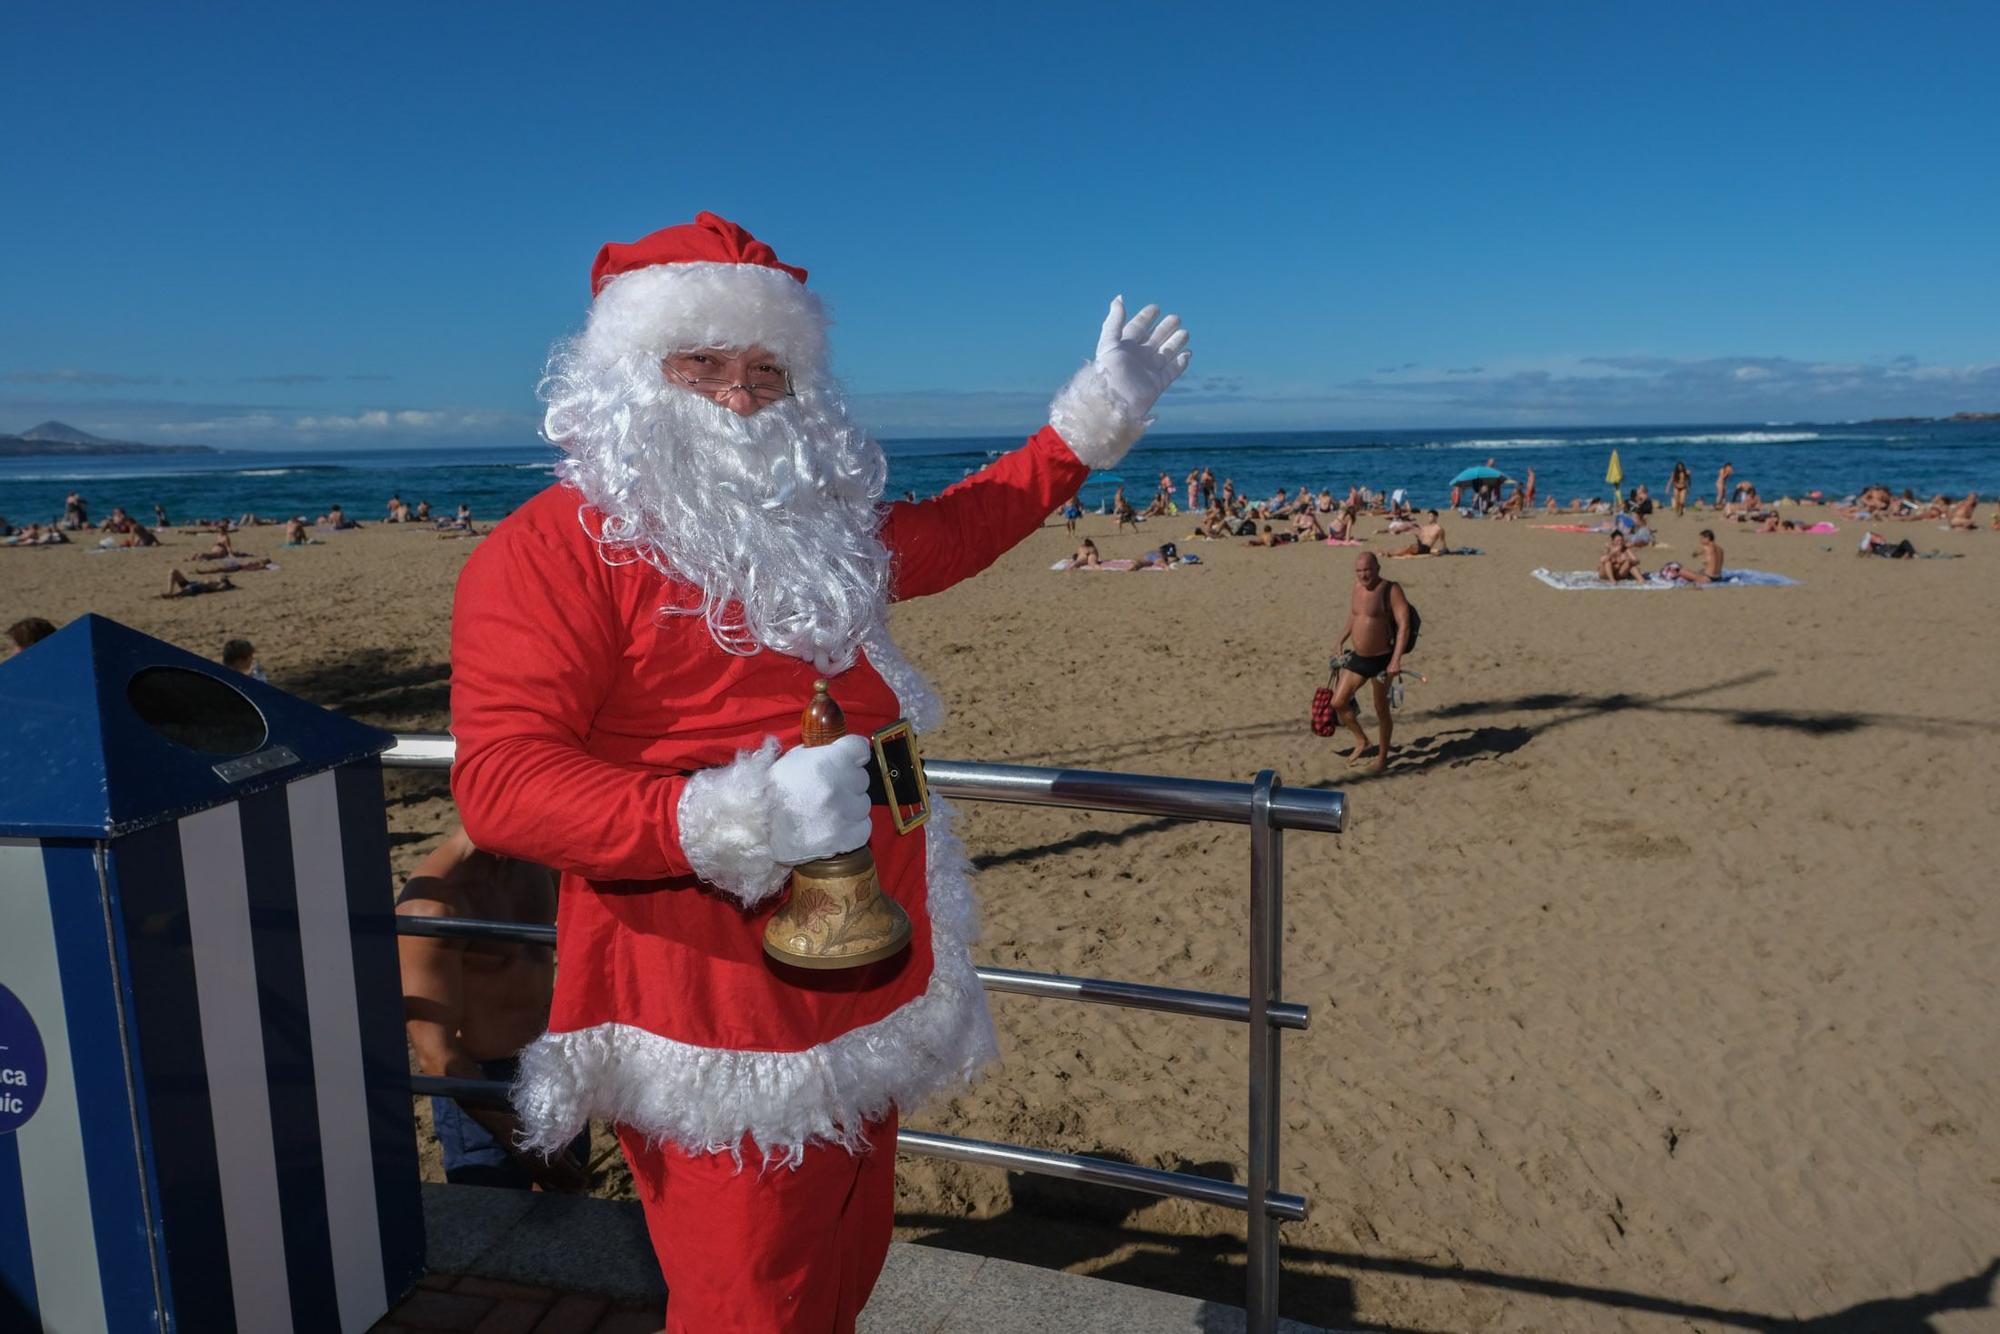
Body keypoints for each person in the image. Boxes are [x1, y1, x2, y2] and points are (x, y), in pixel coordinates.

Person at [446, 214, 1190, 1332]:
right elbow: (501, 780)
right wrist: (724, 815)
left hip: (873, 952)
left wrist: (1084, 424)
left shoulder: (816, 523)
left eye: (764, 368)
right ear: (621, 376)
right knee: (752, 1296)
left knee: (844, 1260)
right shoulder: (549, 548)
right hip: (711, 993)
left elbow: (960, 527)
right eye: (699, 363)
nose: (738, 395)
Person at [396, 827, 590, 1191]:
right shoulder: (434, 904)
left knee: (571, 1209)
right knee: (493, 1223)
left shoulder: (539, 862)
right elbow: (436, 1055)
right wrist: (514, 1136)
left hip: (551, 1065)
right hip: (481, 1086)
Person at [1327, 552, 1411, 772]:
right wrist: (1341, 638)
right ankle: (1362, 740)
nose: (1363, 574)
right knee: (1338, 702)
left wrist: (1396, 660)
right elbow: (1355, 615)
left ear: (1377, 568)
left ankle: (1382, 759)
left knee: (1381, 709)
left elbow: (1404, 626)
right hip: (1359, 657)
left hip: (1383, 659)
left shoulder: (1391, 590)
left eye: (1367, 570)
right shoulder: (1356, 588)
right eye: (1359, 570)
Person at [163, 570, 235, 598]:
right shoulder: (215, 580)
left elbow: (222, 588)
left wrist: (225, 584)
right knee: (173, 571)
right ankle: (170, 592)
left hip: (198, 588)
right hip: (192, 583)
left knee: (180, 593)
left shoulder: (222, 584)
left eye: (222, 576)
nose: (220, 576)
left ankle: (172, 595)